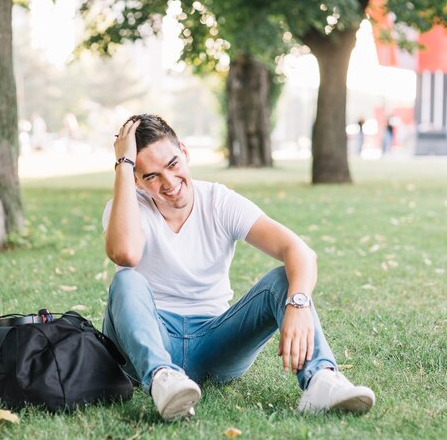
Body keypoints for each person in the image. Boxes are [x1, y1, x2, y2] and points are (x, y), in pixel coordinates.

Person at [101, 114, 376, 421]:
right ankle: (162, 379)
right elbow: (125, 254)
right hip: (152, 339)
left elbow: (298, 250)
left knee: (285, 279)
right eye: (151, 176)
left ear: (185, 151)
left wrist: (298, 304)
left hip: (214, 341)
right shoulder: (125, 206)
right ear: (136, 179)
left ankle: (322, 381)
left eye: (173, 164)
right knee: (127, 280)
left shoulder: (218, 201)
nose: (169, 183)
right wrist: (123, 165)